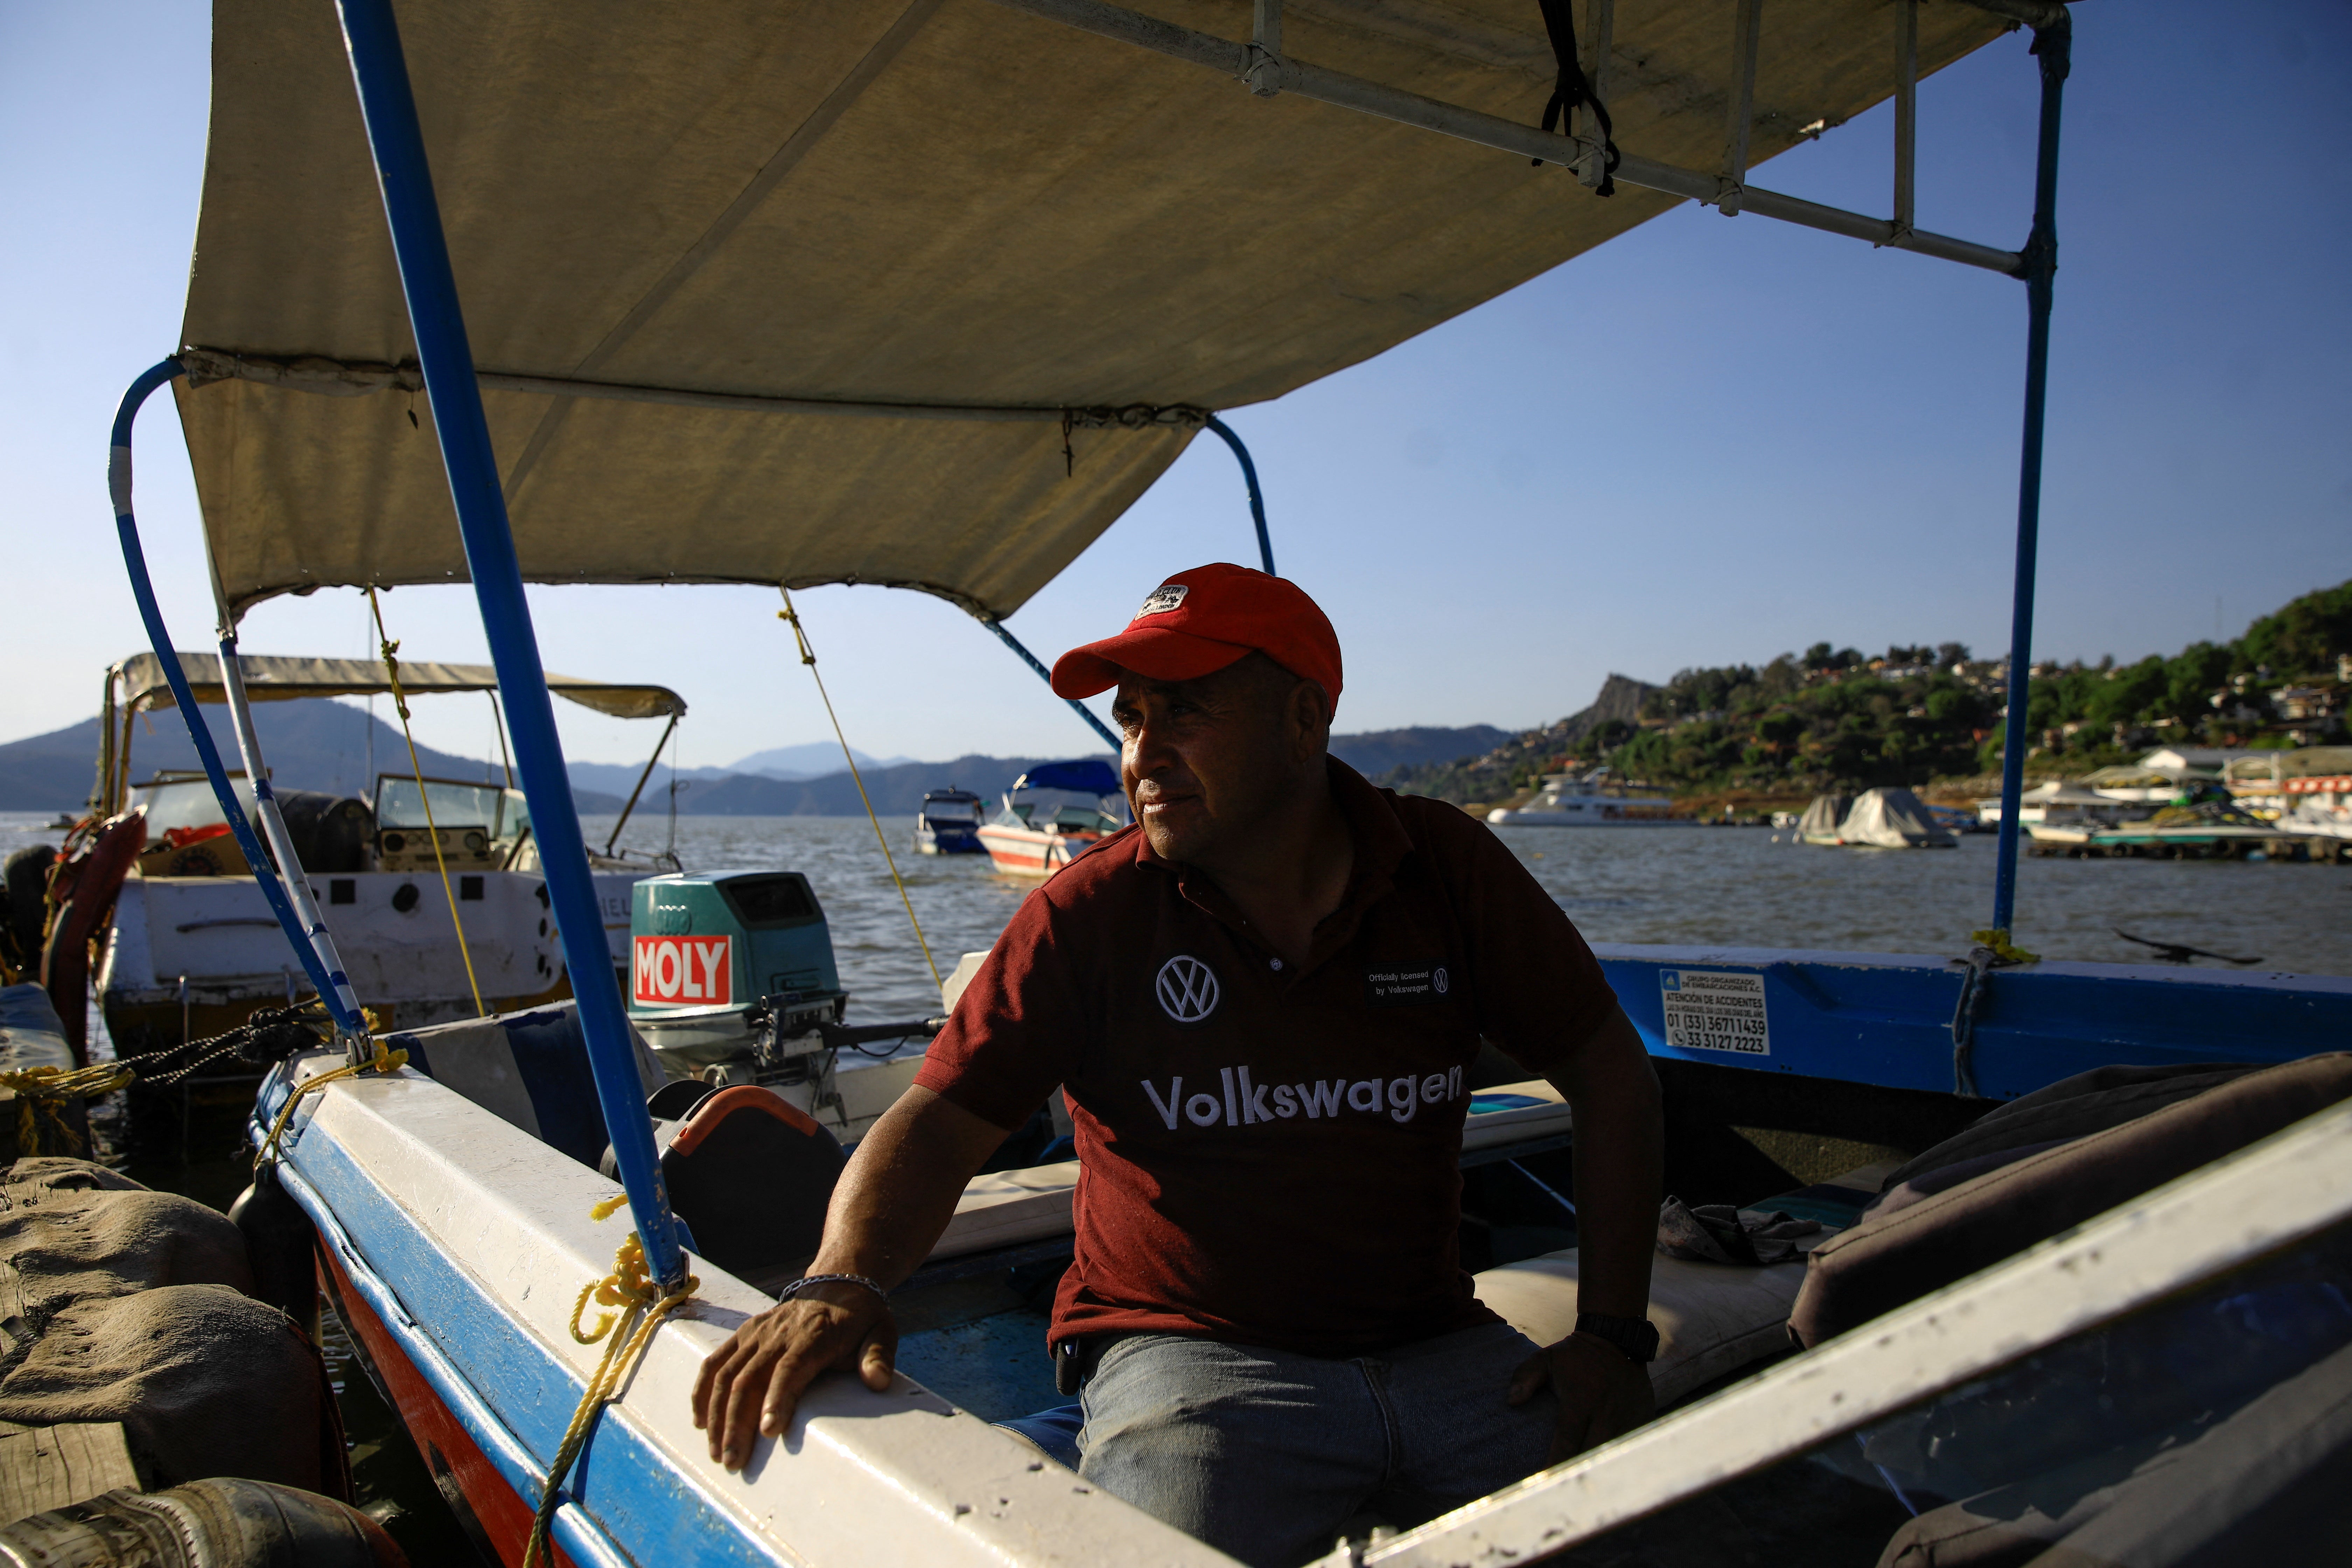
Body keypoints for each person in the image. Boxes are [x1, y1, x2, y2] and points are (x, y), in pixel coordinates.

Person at [693, 563, 1663, 1566]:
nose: (1142, 756)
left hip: (1444, 1350)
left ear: (1303, 719)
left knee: (1656, 1536)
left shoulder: (1445, 868)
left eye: (1185, 711)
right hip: (1192, 1360)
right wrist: (841, 1280)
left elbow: (1609, 1071)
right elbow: (939, 1121)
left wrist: (1611, 1335)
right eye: (1130, 720)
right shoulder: (1090, 917)